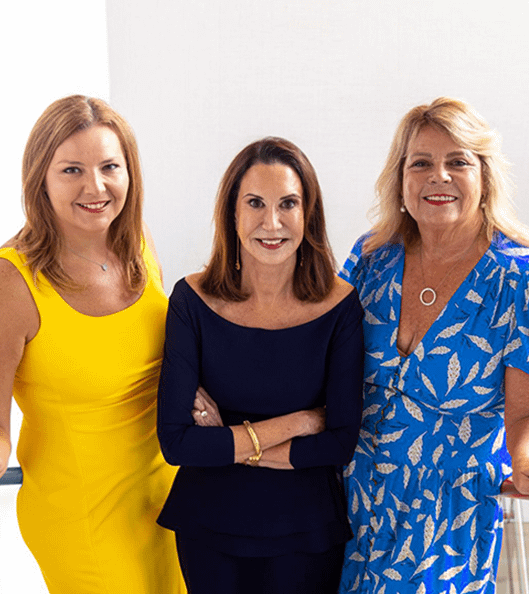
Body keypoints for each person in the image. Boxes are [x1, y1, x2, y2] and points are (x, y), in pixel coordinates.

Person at [338, 97, 529, 594]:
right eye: (420, 162)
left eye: (457, 161)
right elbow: (315, 358)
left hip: (446, 521)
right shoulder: (370, 258)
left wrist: (527, 461)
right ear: (399, 179)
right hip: (347, 507)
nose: (437, 176)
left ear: (485, 176)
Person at [0, 95, 185, 594]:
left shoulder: (139, 244)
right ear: (40, 180)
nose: (96, 187)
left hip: (169, 494)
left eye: (110, 166)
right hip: (82, 517)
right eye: (71, 170)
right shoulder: (6, 282)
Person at [156, 137, 364, 594]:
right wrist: (302, 421)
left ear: (308, 213)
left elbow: (341, 442)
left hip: (306, 529)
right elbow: (177, 443)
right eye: (255, 203)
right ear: (232, 214)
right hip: (208, 525)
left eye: (288, 203)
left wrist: (228, 442)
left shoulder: (341, 305)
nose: (272, 223)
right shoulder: (191, 301)